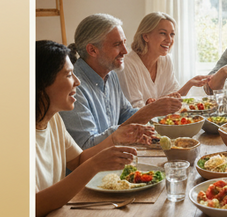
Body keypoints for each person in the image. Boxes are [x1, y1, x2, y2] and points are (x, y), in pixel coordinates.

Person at [34, 41, 151, 217]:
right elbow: (34, 206)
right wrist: (95, 164)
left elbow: (78, 160)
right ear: (41, 85)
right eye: (68, 75)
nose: (77, 82)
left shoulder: (53, 120)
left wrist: (116, 138)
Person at [60, 14, 182, 149]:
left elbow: (126, 114)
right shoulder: (73, 87)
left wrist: (152, 111)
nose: (125, 51)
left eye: (124, 42)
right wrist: (148, 112)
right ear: (92, 50)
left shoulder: (111, 74)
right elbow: (86, 147)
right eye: (117, 44)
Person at [120, 12, 209, 108]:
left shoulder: (166, 60)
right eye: (163, 33)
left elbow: (173, 98)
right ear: (146, 36)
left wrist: (189, 84)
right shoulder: (128, 64)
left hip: (160, 121)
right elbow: (135, 109)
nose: (169, 39)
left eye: (172, 34)